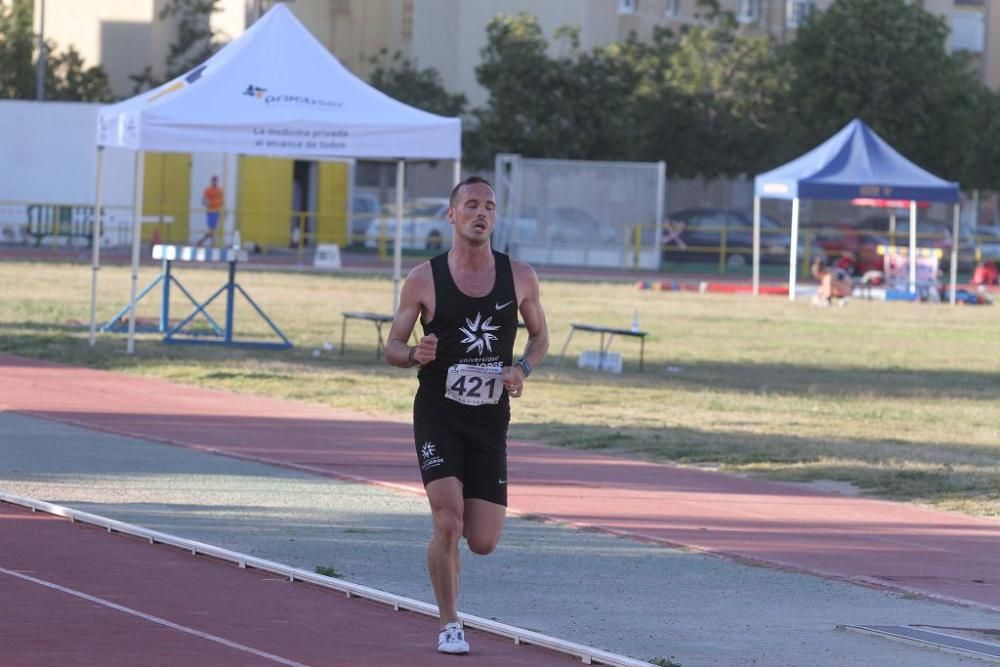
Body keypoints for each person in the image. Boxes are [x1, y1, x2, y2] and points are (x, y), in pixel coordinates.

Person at [384, 176, 549, 655]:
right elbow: (392, 347)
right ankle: (449, 623)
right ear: (451, 215)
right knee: (448, 522)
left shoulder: (519, 276)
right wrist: (416, 354)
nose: (482, 213)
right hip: (438, 413)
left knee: (481, 541)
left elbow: (540, 338)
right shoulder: (422, 279)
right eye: (471, 205)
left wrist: (522, 368)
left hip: (489, 419)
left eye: (490, 207)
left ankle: (447, 559)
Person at [196, 176, 224, 247]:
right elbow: (203, 201)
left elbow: (221, 201)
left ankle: (203, 241)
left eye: (216, 181)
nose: (215, 182)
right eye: (213, 181)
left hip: (217, 211)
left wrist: (220, 208)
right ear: (211, 181)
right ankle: (212, 244)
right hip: (210, 211)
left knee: (213, 229)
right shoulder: (208, 190)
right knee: (212, 229)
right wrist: (208, 203)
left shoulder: (219, 190)